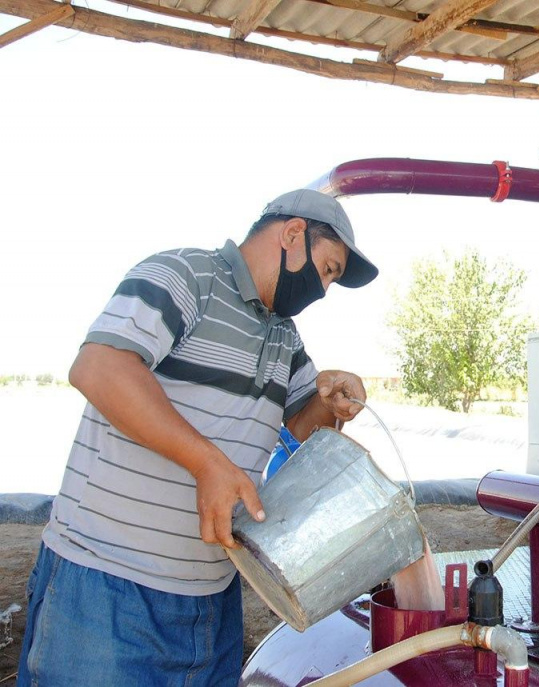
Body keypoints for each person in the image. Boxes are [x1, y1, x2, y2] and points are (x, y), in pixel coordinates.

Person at [17, 189, 378, 686]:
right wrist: (206, 462)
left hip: (212, 597)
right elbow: (100, 367)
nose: (324, 288)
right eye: (329, 268)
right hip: (107, 591)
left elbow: (300, 431)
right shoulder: (187, 276)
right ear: (294, 235)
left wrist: (329, 399)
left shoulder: (284, 336)